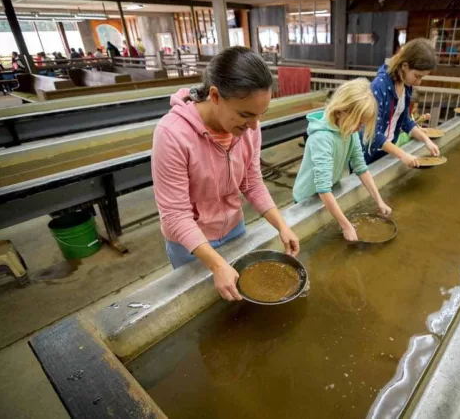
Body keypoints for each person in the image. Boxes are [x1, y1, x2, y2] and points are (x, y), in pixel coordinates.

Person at [152, 46, 300, 302]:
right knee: (204, 305)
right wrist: (216, 264)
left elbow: (252, 182)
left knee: (238, 299)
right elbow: (175, 214)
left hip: (234, 228)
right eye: (245, 114)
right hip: (191, 244)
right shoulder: (172, 134)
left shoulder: (250, 128)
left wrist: (281, 225)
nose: (254, 125)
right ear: (215, 95)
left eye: (260, 115)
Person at [292, 78, 392, 241]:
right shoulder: (322, 138)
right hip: (307, 198)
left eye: (362, 124)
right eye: (358, 122)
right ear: (341, 111)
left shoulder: (350, 132)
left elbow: (361, 167)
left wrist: (379, 201)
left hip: (327, 192)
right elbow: (322, 188)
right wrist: (346, 225)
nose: (360, 128)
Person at [361, 38, 440, 167]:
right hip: (367, 152)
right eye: (417, 76)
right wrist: (402, 154)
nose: (418, 82)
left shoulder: (406, 85)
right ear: (404, 66)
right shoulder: (379, 86)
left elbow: (405, 121)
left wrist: (426, 140)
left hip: (388, 148)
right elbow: (372, 133)